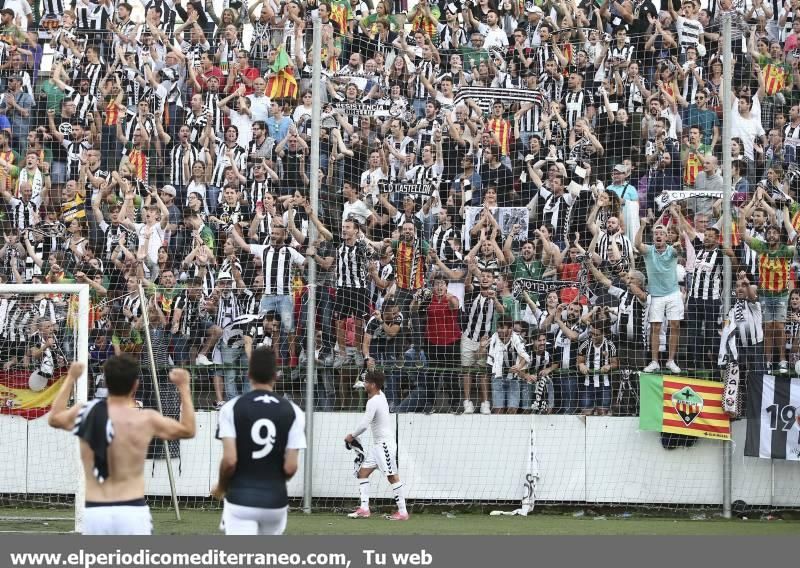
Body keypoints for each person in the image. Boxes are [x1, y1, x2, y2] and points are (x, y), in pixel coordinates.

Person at [47, 356, 196, 535]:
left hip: (96, 510)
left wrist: (71, 377)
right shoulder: (145, 418)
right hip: (131, 510)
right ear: (135, 385)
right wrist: (184, 388)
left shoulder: (84, 411)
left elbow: (55, 418)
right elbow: (188, 430)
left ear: (106, 382)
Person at [212, 347, 306, 535]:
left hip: (240, 499)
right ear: (276, 376)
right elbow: (290, 467)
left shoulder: (231, 408)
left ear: (248, 374)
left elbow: (230, 461)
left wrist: (221, 487)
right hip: (275, 502)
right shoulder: (294, 411)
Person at [344, 370, 409, 521]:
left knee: (392, 477)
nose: (364, 385)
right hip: (377, 446)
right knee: (363, 473)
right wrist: (366, 374)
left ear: (373, 385)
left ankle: (403, 512)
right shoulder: (380, 395)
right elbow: (369, 385)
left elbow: (365, 423)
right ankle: (364, 509)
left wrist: (352, 435)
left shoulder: (373, 402)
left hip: (385, 445)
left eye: (366, 383)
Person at [635, 215, 683, 374]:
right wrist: (642, 225)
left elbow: (680, 249)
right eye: (656, 233)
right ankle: (654, 361)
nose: (658, 235)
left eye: (662, 233)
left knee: (674, 325)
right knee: (655, 327)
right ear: (653, 236)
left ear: (667, 236)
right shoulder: (648, 251)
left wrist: (677, 218)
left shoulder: (672, 250)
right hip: (656, 295)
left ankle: (670, 361)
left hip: (673, 294)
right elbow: (637, 244)